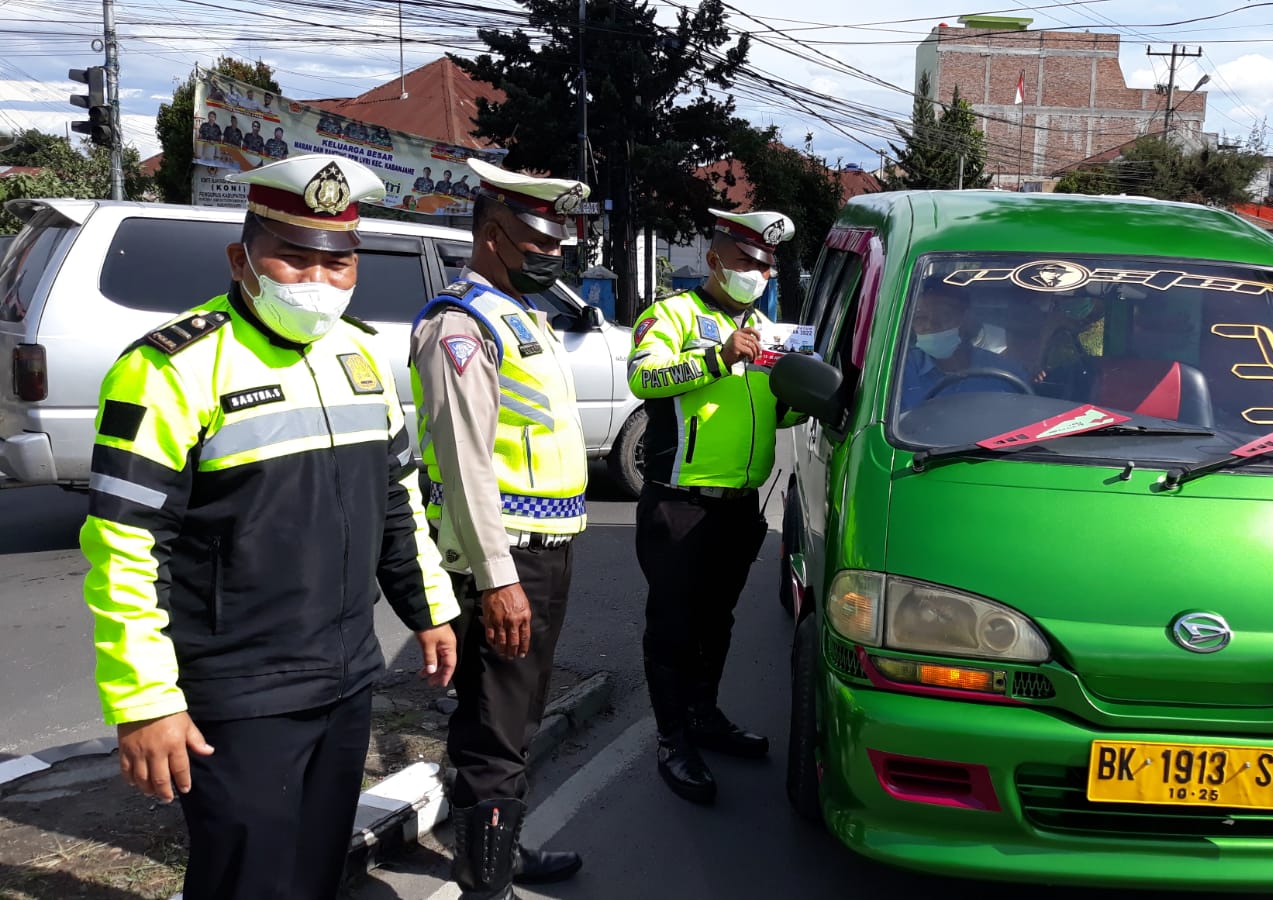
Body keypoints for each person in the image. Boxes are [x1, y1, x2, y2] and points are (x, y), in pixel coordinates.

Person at [78, 154, 460, 900]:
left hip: (346, 674)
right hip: (237, 690)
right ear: (241, 258)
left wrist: (430, 610)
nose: (317, 279)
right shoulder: (169, 369)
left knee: (316, 873)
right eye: (294, 254)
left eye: (339, 262)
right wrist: (144, 700)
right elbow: (123, 545)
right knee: (246, 880)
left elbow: (396, 498)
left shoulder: (362, 358)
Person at [410, 157, 590, 898]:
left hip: (543, 553)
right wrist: (498, 580)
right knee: (493, 728)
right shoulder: (461, 325)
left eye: (559, 243)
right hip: (505, 558)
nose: (553, 254)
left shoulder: (524, 318)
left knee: (515, 719)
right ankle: (485, 885)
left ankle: (501, 854)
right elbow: (464, 466)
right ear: (491, 235)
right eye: (537, 241)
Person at [628, 208, 805, 806]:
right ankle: (672, 738)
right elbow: (645, 380)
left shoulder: (767, 327)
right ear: (714, 259)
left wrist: (816, 393)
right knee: (674, 627)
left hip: (739, 503)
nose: (759, 273)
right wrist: (717, 356)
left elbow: (772, 411)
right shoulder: (671, 315)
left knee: (717, 622)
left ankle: (704, 715)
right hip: (680, 502)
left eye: (767, 265)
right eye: (748, 262)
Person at [899, 286, 1031, 410]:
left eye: (944, 316)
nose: (930, 325)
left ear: (965, 319)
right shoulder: (897, 373)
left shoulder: (1007, 374)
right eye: (920, 318)